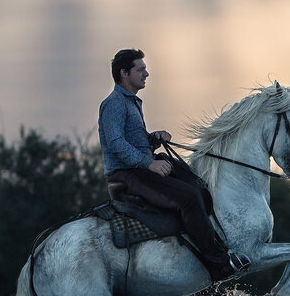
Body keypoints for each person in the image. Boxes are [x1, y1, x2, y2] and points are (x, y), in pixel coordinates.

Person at [98, 48, 247, 282]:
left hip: (139, 168)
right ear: (124, 73)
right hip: (127, 175)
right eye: (141, 69)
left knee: (197, 183)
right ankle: (218, 265)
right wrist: (149, 163)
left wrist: (152, 139)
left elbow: (131, 141)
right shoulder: (114, 104)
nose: (147, 73)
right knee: (187, 198)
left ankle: (209, 243)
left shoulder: (131, 102)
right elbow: (116, 143)